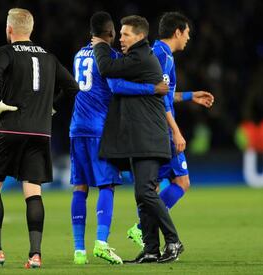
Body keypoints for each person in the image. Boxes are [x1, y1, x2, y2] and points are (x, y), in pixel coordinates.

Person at [0, 8, 78, 269]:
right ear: (30, 30)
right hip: (40, 133)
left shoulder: (5, 52)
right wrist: (52, 106)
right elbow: (72, 87)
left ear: (10, 30)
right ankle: (35, 255)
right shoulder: (49, 57)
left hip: (10, 130)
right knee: (33, 193)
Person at [70, 11, 168, 265]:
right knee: (106, 185)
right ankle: (101, 243)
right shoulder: (111, 57)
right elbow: (115, 87)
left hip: (75, 127)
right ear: (110, 33)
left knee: (79, 188)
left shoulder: (78, 55)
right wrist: (151, 88)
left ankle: (79, 251)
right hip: (99, 130)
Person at [92, 15, 180, 263]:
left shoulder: (140, 57)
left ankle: (173, 240)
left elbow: (107, 69)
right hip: (140, 136)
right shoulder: (136, 58)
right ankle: (152, 249)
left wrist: (99, 43)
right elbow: (117, 82)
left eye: (125, 34)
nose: (120, 38)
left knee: (145, 192)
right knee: (142, 194)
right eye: (119, 34)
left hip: (149, 137)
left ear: (140, 37)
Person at [126, 12, 215, 257]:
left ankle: (148, 242)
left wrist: (190, 96)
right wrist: (175, 131)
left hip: (154, 129)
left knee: (153, 188)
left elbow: (167, 94)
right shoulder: (162, 56)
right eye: (187, 33)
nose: (188, 38)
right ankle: (144, 229)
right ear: (177, 32)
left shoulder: (160, 54)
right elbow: (159, 99)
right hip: (161, 130)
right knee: (178, 183)